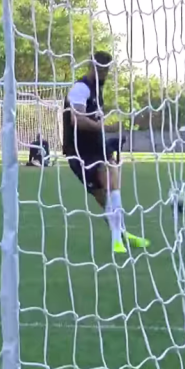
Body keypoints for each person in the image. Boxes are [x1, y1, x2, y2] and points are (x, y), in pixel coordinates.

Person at [64, 50, 148, 254]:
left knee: (112, 175)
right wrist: (101, 127)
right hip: (79, 154)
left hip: (96, 150)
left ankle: (117, 240)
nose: (104, 74)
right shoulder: (81, 89)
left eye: (107, 70)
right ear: (92, 68)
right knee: (103, 196)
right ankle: (121, 234)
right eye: (101, 70)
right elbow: (77, 119)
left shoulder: (97, 90)